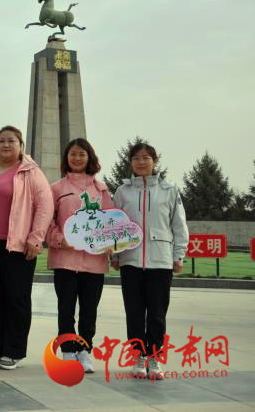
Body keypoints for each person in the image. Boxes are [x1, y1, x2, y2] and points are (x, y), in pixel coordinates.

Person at [0, 125, 53, 370]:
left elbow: (45, 206)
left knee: (16, 298)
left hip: (17, 245)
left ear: (20, 145)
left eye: (11, 141)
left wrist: (36, 237)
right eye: (1, 140)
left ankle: (14, 351)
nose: (6, 145)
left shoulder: (30, 172)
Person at [111, 142, 188, 380]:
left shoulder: (169, 190)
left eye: (146, 158)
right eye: (136, 158)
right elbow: (115, 225)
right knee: (134, 312)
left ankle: (154, 358)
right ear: (131, 163)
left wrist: (179, 255)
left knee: (157, 313)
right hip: (131, 261)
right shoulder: (122, 191)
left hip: (161, 261)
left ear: (154, 161)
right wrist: (115, 254)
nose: (141, 162)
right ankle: (138, 357)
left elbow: (179, 225)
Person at [45, 138, 113, 373]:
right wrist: (59, 240)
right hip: (65, 259)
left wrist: (110, 242)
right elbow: (47, 221)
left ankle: (84, 351)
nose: (77, 158)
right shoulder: (56, 188)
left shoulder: (101, 189)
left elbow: (111, 221)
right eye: (73, 154)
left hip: (94, 261)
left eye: (82, 154)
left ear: (89, 157)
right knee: (65, 309)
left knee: (89, 310)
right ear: (66, 158)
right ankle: (67, 350)